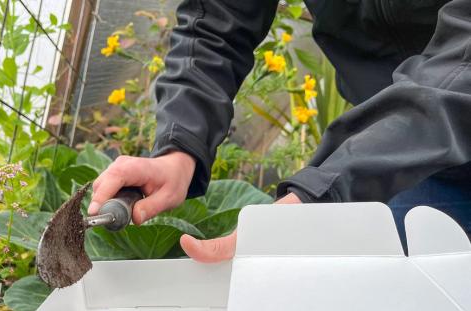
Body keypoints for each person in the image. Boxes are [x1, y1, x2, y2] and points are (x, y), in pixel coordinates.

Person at [89, 0, 471, 261]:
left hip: (415, 136)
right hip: (408, 159)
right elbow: (215, 24)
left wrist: (326, 188)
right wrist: (179, 146)